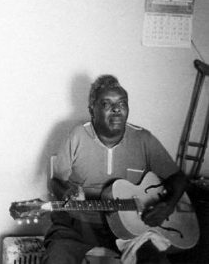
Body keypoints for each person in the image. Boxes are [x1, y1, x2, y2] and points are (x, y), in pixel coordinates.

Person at [42, 75, 188, 264]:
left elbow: (179, 178)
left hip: (132, 226)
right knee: (57, 258)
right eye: (106, 104)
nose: (117, 109)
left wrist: (167, 206)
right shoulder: (77, 136)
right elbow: (55, 181)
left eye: (122, 103)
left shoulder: (143, 139)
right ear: (92, 110)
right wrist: (66, 192)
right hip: (79, 223)